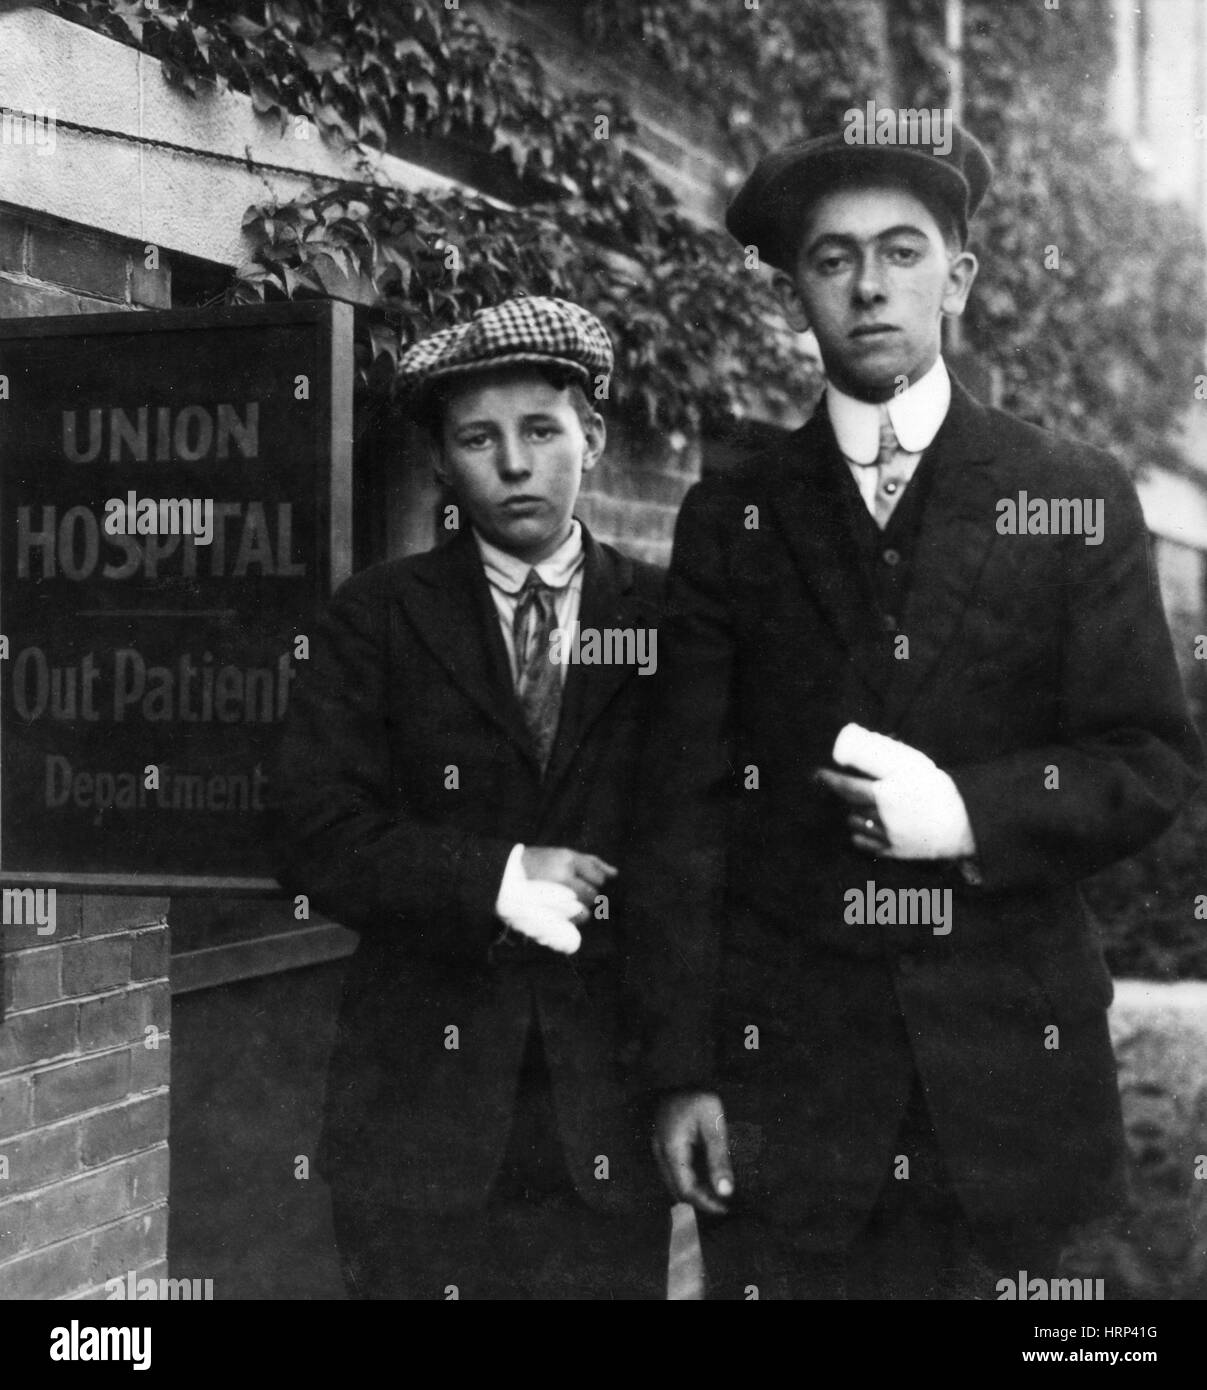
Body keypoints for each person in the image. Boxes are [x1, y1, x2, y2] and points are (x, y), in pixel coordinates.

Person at [624, 121, 1204, 1299]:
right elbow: (679, 809)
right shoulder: (729, 515)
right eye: (832, 259)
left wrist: (966, 816)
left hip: (1010, 1096)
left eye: (901, 249)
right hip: (794, 1107)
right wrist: (681, 1070)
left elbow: (1143, 759)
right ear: (797, 293)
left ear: (960, 278)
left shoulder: (1069, 491)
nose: (870, 285)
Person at [272, 295, 668, 1299]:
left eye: (541, 430)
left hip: (608, 1120)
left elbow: (715, 837)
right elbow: (312, 832)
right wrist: (494, 873)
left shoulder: (672, 617)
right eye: (476, 438)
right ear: (445, 464)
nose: (515, 463)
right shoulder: (377, 617)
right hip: (417, 1118)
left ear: (595, 437)